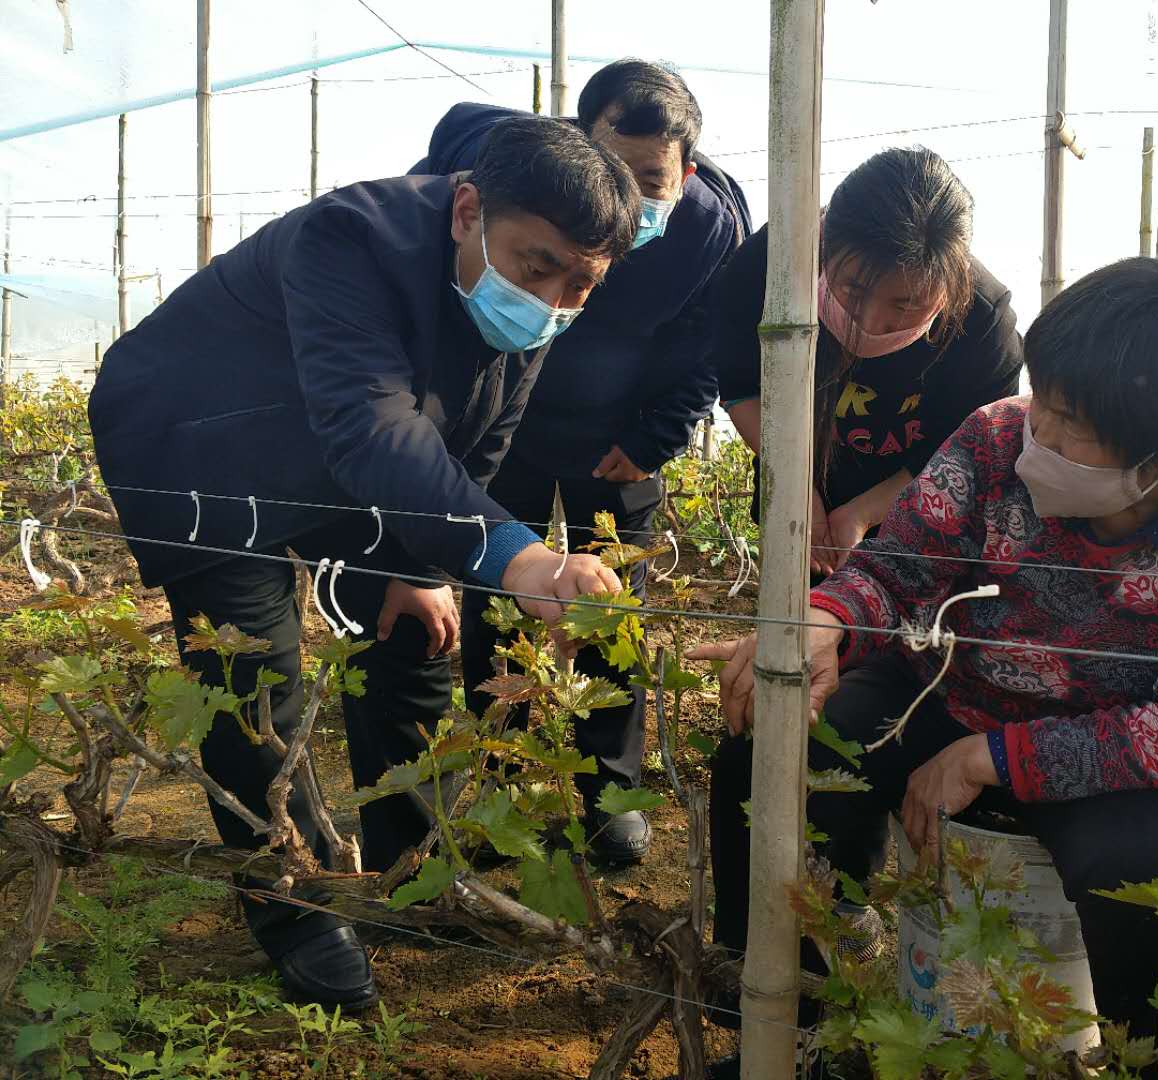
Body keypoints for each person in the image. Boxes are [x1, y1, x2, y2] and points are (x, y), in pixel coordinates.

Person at [693, 259, 1158, 1056]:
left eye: (1070, 425)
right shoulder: (996, 436)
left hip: (1111, 750)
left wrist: (994, 758)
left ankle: (1150, 1059)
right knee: (771, 752)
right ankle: (783, 1028)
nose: (1038, 439)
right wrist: (825, 622)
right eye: (1042, 403)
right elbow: (897, 571)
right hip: (947, 689)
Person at [88, 116, 640, 1010]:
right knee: (252, 673)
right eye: (537, 269)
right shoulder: (350, 238)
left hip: (339, 452)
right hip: (200, 443)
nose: (552, 302)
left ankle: (411, 869)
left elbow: (481, 440)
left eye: (581, 284)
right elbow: (370, 429)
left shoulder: (536, 297)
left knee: (419, 627)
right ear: (467, 210)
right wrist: (524, 561)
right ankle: (296, 905)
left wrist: (423, 565)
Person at [409, 60, 748, 864]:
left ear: (685, 174)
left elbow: (710, 342)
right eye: (615, 168)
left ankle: (609, 792)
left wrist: (657, 436)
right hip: (512, 428)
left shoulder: (709, 228)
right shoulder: (526, 177)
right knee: (500, 595)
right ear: (578, 141)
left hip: (621, 446)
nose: (630, 195)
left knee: (610, 608)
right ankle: (499, 778)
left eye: (652, 180)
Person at [711, 147, 1023, 577]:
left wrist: (863, 513)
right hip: (794, 484)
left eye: (906, 304)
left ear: (948, 289)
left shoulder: (984, 323)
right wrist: (797, 486)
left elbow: (967, 447)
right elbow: (743, 388)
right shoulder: (769, 265)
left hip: (921, 505)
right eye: (853, 290)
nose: (871, 324)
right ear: (825, 246)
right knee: (797, 606)